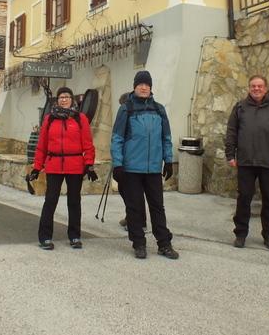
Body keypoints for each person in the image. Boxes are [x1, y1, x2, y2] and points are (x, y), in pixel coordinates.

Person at [110, 71, 179, 260]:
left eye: (146, 85)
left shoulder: (159, 109)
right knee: (134, 208)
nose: (143, 87)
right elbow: (117, 138)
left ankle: (164, 244)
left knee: (158, 207)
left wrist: (168, 160)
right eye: (140, 84)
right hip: (132, 168)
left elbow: (166, 137)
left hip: (153, 168)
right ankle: (139, 243)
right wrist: (117, 164)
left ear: (150, 87)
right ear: (135, 87)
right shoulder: (126, 109)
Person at [27, 87, 96, 250]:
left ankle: (74, 235)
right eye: (61, 97)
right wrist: (37, 167)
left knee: (74, 202)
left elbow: (88, 144)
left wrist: (89, 164)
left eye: (67, 97)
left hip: (75, 166)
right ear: (57, 100)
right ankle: (45, 237)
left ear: (72, 100)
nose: (64, 100)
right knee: (50, 201)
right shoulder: (49, 119)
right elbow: (42, 146)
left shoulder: (80, 119)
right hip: (54, 165)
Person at [225, 75, 269, 250]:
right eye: (253, 86)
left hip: (268, 162)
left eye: (260, 86)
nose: (256, 89)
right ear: (249, 88)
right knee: (244, 198)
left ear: (266, 89)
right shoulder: (240, 107)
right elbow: (232, 132)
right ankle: (240, 234)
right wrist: (230, 155)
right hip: (245, 162)